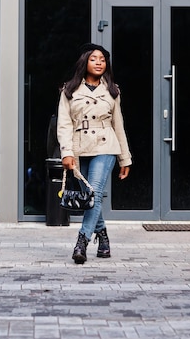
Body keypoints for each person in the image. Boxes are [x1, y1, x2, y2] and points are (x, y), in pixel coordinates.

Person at [56, 43, 132, 264]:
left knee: (95, 194)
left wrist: (124, 158)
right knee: (90, 197)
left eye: (102, 59)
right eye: (94, 59)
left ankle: (82, 242)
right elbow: (64, 125)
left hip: (106, 146)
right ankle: (104, 237)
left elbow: (119, 125)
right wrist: (66, 153)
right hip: (79, 148)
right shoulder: (69, 90)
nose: (99, 62)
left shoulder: (112, 90)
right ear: (85, 62)